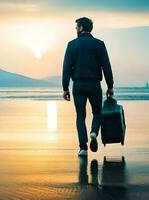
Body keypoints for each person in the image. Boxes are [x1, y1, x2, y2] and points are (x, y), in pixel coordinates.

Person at [62, 17, 114, 156]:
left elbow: (66, 67)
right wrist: (110, 86)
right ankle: (93, 132)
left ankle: (83, 147)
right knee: (97, 113)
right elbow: (106, 67)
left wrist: (65, 87)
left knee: (80, 115)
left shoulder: (72, 45)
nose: (75, 30)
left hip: (78, 85)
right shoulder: (99, 44)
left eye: (76, 27)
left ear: (81, 28)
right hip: (94, 85)